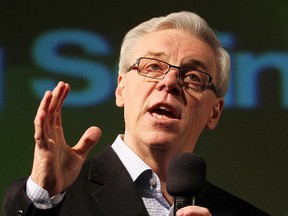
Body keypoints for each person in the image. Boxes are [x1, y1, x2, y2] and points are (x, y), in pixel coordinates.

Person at [2, 11, 270, 216]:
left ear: (215, 111)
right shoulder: (57, 197)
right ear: (121, 89)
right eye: (153, 66)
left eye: (192, 76)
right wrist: (43, 194)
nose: (169, 82)